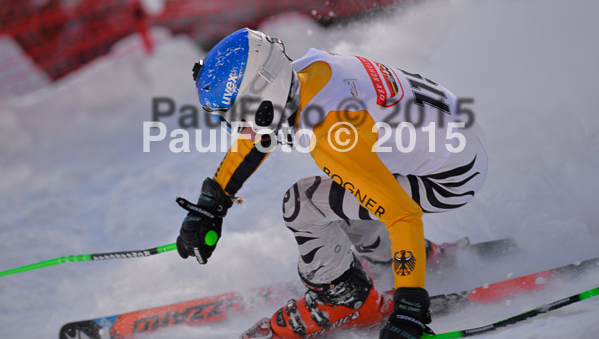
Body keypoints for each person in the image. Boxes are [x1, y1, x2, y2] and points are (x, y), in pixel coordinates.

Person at [175, 28, 488, 339]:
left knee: (304, 203)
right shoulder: (306, 72)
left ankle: (344, 300)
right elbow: (263, 127)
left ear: (264, 98)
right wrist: (212, 200)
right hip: (457, 146)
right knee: (352, 199)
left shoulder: (333, 134)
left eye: (231, 114)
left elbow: (402, 215)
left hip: (446, 179)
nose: (234, 125)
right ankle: (394, 257)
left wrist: (409, 308)